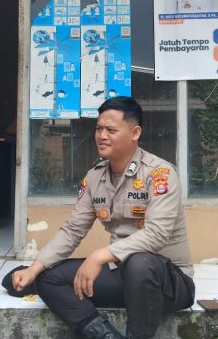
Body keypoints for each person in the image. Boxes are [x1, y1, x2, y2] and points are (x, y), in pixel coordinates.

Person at [12, 97, 194, 339]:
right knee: (48, 278)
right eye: (99, 129)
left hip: (169, 282)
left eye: (111, 130)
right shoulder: (95, 177)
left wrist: (99, 256)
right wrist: (33, 269)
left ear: (135, 133)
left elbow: (156, 234)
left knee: (140, 263)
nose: (102, 136)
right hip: (123, 274)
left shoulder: (159, 173)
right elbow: (73, 230)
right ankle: (105, 335)